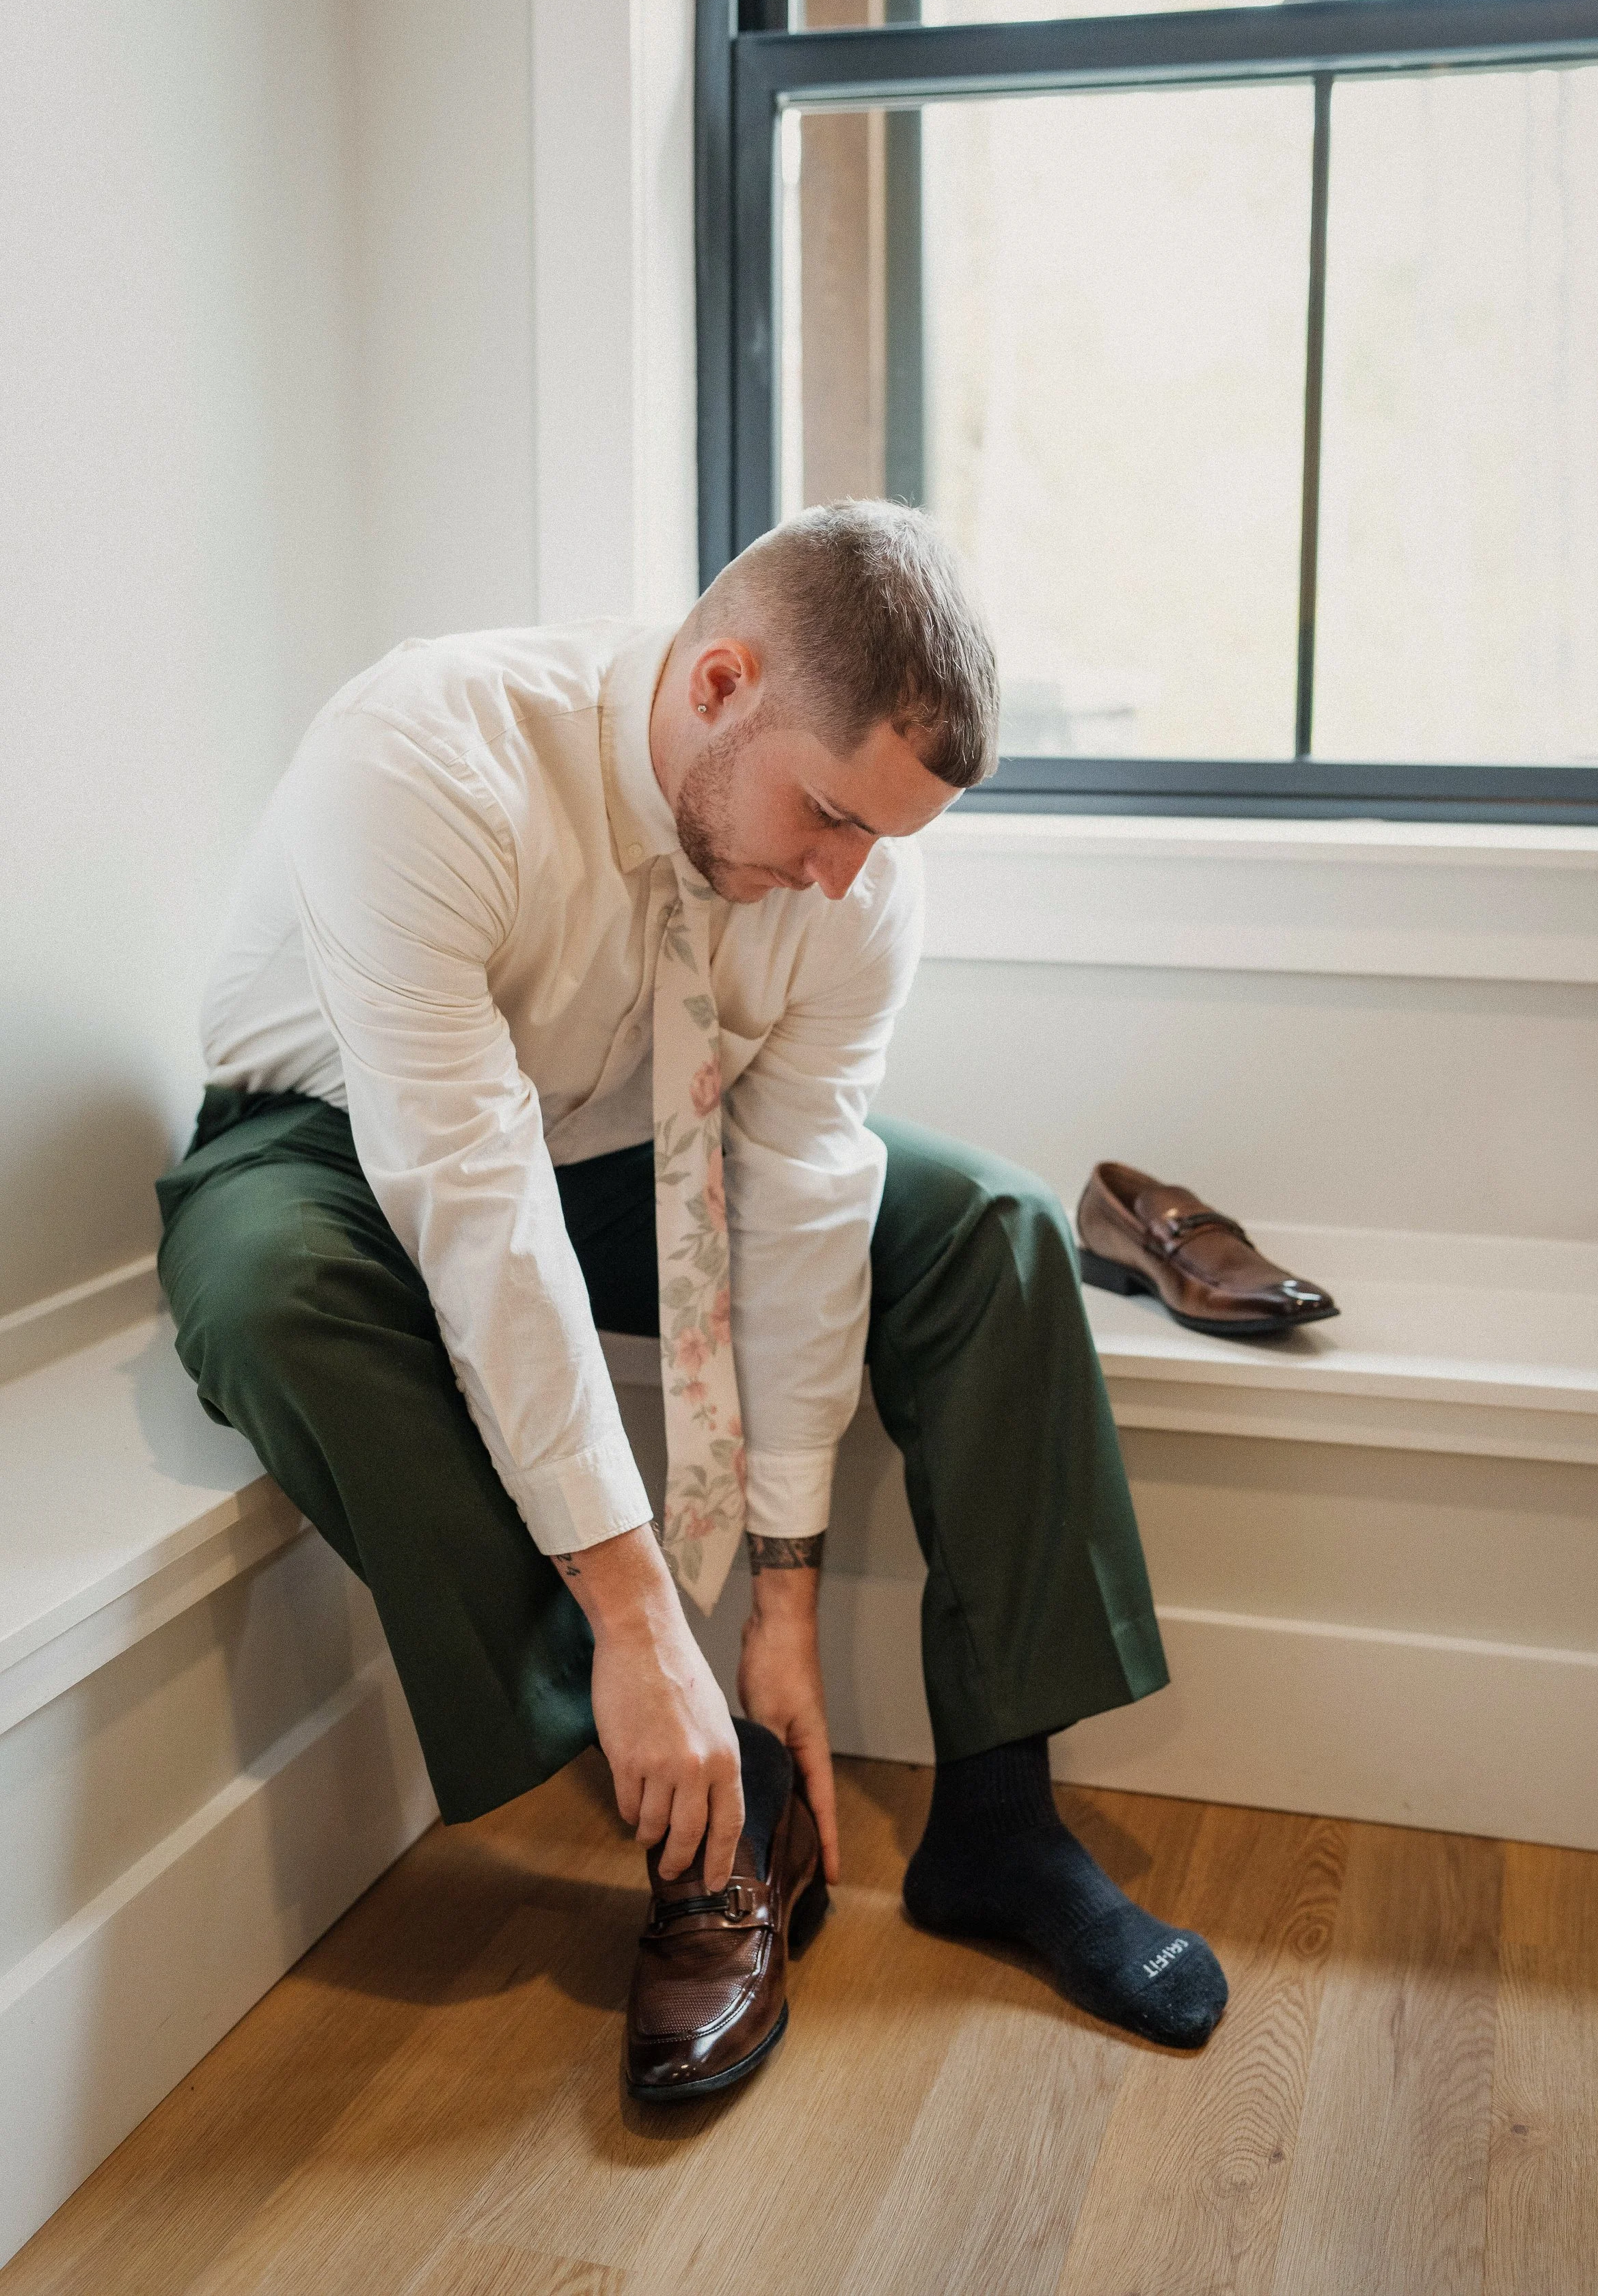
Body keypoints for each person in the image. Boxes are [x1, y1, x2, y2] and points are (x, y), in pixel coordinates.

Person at [154, 500, 1227, 2100]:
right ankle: (693, 1835)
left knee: (989, 1226)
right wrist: (644, 1621)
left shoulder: (854, 881)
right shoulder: (427, 758)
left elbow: (798, 1191)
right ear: (716, 682)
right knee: (276, 1298)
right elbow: (469, 1197)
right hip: (334, 1150)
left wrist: (780, 1600)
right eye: (828, 819)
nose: (843, 879)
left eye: (883, 842)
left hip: (626, 1131)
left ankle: (999, 1825)